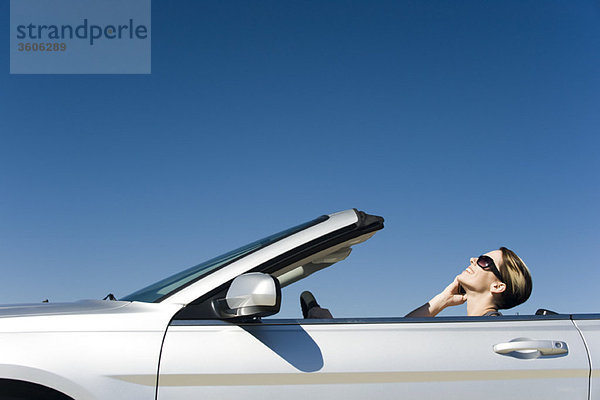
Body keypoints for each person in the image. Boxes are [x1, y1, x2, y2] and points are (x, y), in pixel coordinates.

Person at [405, 247, 532, 317]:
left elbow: (400, 337)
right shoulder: (480, 327)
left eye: (484, 261)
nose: (473, 260)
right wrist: (443, 299)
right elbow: (400, 334)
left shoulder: (492, 329)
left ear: (497, 286)